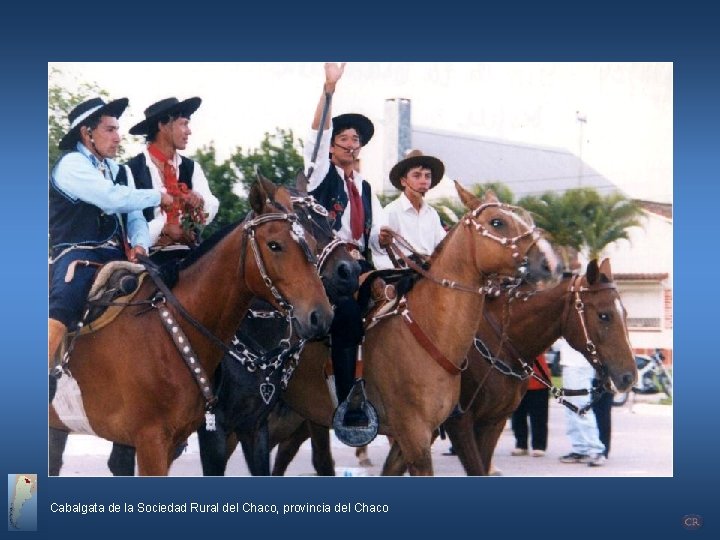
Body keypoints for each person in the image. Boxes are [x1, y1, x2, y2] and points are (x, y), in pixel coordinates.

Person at [49, 97, 174, 402]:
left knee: (167, 289)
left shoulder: (121, 171)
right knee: (68, 295)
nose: (118, 137)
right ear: (86, 133)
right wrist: (158, 195)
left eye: (118, 129)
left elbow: (134, 218)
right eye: (109, 130)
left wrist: (141, 245)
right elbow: (112, 199)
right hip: (76, 253)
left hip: (117, 256)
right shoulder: (71, 165)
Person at [303, 63, 387, 428]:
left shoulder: (366, 189)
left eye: (357, 140)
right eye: (345, 139)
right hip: (326, 267)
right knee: (349, 316)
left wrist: (385, 239)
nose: (352, 145)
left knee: (396, 300)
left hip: (360, 266)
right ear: (333, 145)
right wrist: (329, 88)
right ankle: (347, 396)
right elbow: (317, 135)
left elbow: (375, 235)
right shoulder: (321, 173)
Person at [126, 97, 219, 265]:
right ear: (163, 125)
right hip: (148, 257)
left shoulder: (191, 168)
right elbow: (128, 225)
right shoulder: (131, 170)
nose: (188, 131)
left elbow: (211, 206)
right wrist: (163, 228)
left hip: (189, 254)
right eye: (183, 124)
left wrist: (198, 203)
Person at [374, 149, 447, 270]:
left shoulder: (432, 214)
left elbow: (442, 247)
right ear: (403, 181)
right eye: (417, 176)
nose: (423, 181)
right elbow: (378, 251)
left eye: (427, 176)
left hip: (430, 273)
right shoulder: (391, 211)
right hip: (402, 275)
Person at [556, 337, 606, 467]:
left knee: (580, 408)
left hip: (579, 365)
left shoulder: (580, 319)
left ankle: (596, 450)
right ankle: (580, 448)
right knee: (570, 409)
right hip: (570, 364)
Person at [510, 354, 551, 457]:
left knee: (539, 417)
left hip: (539, 380)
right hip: (518, 380)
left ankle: (539, 446)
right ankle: (521, 444)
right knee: (518, 416)